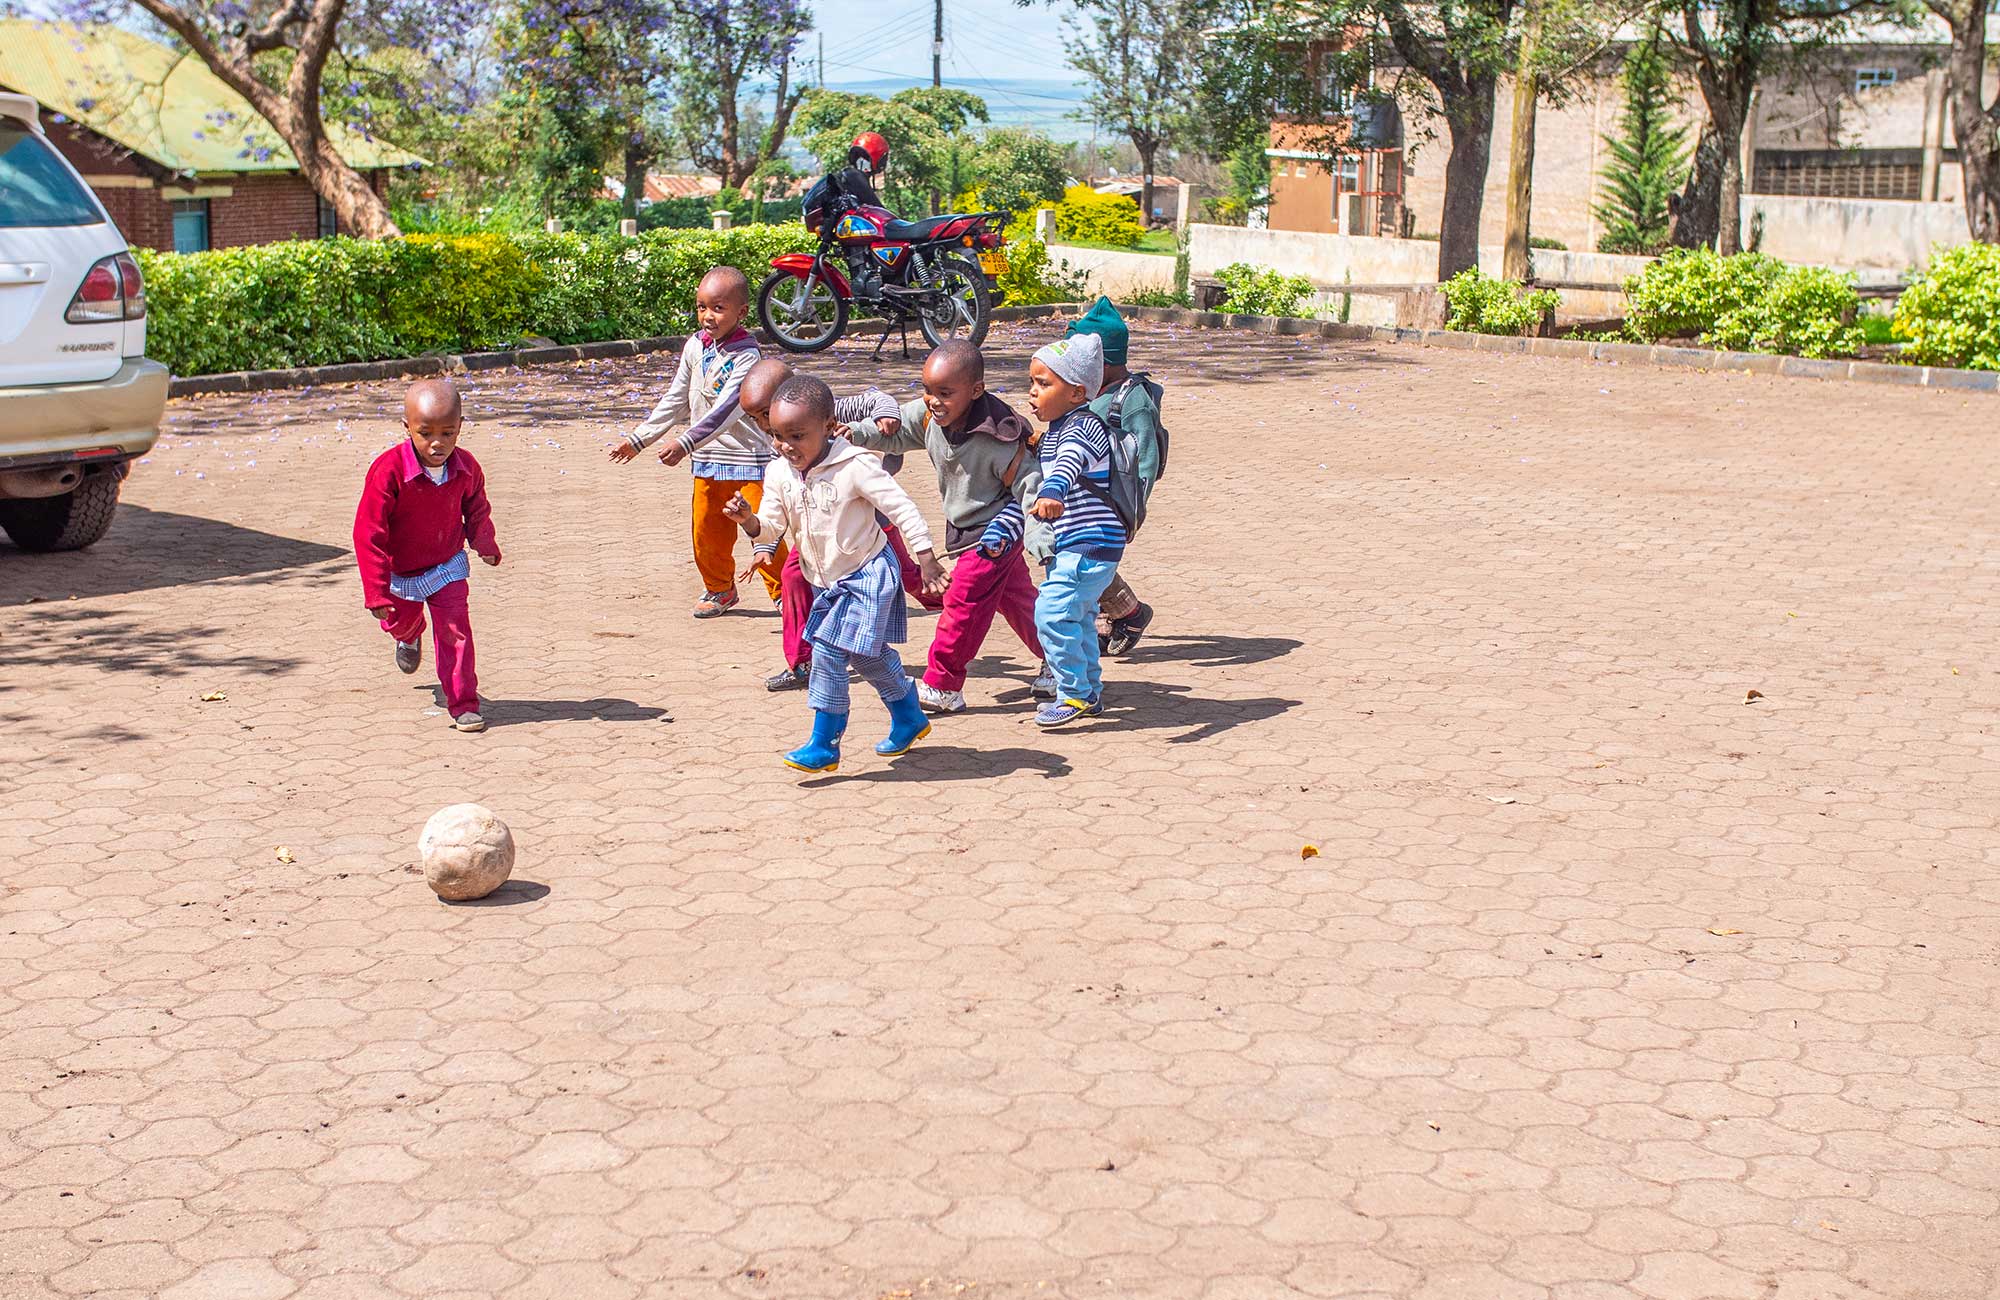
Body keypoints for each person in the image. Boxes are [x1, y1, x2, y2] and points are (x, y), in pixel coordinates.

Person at [724, 375, 947, 772]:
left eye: (797, 435)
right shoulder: (778, 472)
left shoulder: (856, 465)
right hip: (826, 581)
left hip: (868, 574)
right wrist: (751, 525)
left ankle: (824, 744)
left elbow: (902, 508)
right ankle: (909, 716)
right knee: (868, 656)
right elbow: (772, 525)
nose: (785, 446)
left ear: (828, 428)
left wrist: (926, 557)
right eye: (777, 435)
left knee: (827, 652)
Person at [845, 340, 1056, 714]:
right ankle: (1062, 659)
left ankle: (944, 685)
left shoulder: (1001, 436)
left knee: (962, 600)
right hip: (964, 528)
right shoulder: (930, 417)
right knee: (1017, 600)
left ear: (976, 391)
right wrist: (857, 432)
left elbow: (1031, 487)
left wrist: (1040, 533)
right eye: (927, 390)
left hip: (998, 531)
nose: (933, 400)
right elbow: (896, 432)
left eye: (945, 393)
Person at [732, 358, 935, 692]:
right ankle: (802, 663)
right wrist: (759, 538)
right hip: (816, 538)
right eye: (760, 421)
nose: (767, 427)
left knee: (913, 578)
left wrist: (888, 417)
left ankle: (956, 601)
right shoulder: (783, 455)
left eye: (766, 414)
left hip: (871, 531)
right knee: (794, 580)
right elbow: (775, 512)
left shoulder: (833, 420)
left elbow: (876, 399)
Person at [607, 265, 782, 619]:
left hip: (750, 461)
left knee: (764, 531)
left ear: (741, 312)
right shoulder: (694, 346)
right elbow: (677, 398)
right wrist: (639, 439)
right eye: (702, 307)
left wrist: (684, 443)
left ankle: (787, 594)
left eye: (718, 308)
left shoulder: (747, 355)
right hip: (707, 461)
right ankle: (719, 589)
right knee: (707, 532)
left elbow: (727, 409)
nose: (708, 316)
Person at [353, 378, 501, 733]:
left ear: (460, 427)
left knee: (456, 633)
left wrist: (485, 544)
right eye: (426, 433)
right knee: (400, 621)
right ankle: (409, 633)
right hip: (399, 571)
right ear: (407, 428)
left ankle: (464, 704)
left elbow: (477, 509)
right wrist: (375, 590)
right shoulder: (388, 471)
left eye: (448, 433)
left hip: (446, 566)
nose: (438, 443)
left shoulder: (466, 467)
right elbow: (368, 532)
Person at [1011, 332, 1122, 728]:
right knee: (1077, 616)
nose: (1032, 393)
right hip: (1078, 543)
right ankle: (1088, 692)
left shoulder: (1082, 427)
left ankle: (1072, 693)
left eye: (1044, 384)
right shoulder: (1060, 427)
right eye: (1032, 383)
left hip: (1090, 543)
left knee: (1051, 614)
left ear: (1076, 393)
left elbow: (1070, 463)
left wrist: (1054, 490)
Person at [1064, 297, 1158, 655]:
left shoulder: (1132, 401)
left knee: (1085, 561)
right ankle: (1122, 613)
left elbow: (1145, 462)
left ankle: (1123, 614)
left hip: (1112, 503)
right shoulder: (1088, 393)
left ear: (1101, 362)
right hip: (1080, 496)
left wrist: (1129, 511)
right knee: (1078, 558)